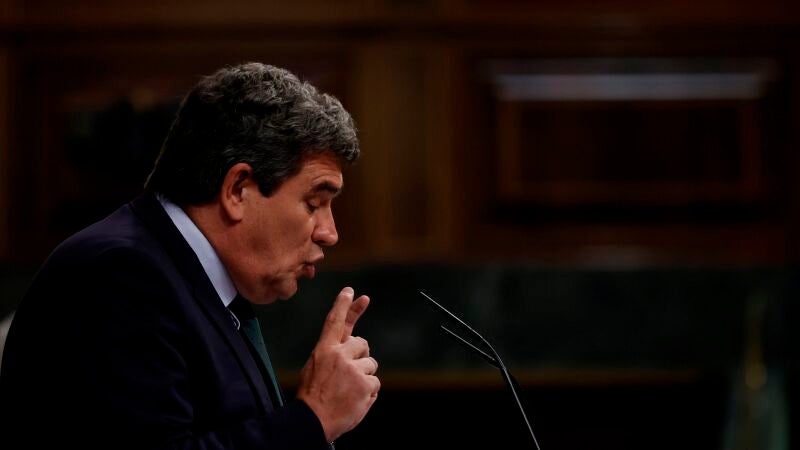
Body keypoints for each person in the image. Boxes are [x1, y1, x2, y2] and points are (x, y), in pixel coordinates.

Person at [0, 62, 380, 449]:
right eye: (314, 202)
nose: (330, 233)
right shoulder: (119, 273)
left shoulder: (198, 279)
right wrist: (313, 418)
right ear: (237, 189)